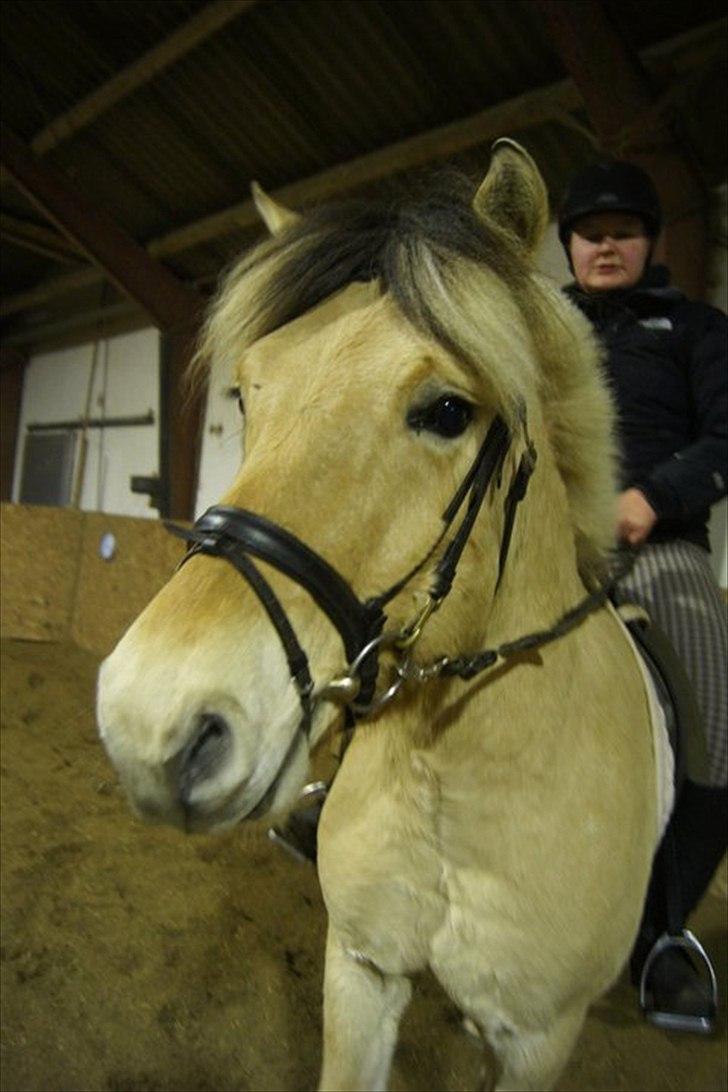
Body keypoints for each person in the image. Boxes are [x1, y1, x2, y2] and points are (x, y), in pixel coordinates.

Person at [558, 159, 728, 1032]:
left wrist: (653, 496)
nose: (607, 245)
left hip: (660, 551)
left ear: (649, 243)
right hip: (549, 544)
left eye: (623, 231)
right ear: (571, 246)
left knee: (719, 735)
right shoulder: (541, 325)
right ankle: (343, 806)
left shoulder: (695, 328)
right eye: (591, 233)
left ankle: (661, 938)